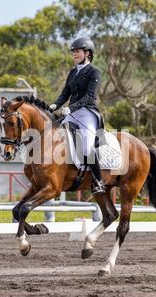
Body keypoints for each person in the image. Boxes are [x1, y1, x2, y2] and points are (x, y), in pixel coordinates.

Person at [49, 37, 105, 195]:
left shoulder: (95, 72)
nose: (74, 54)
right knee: (53, 136)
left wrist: (71, 107)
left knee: (87, 148)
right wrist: (55, 105)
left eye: (77, 51)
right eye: (73, 51)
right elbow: (65, 93)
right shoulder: (73, 72)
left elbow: (90, 96)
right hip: (71, 113)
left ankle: (98, 181)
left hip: (87, 114)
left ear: (87, 53)